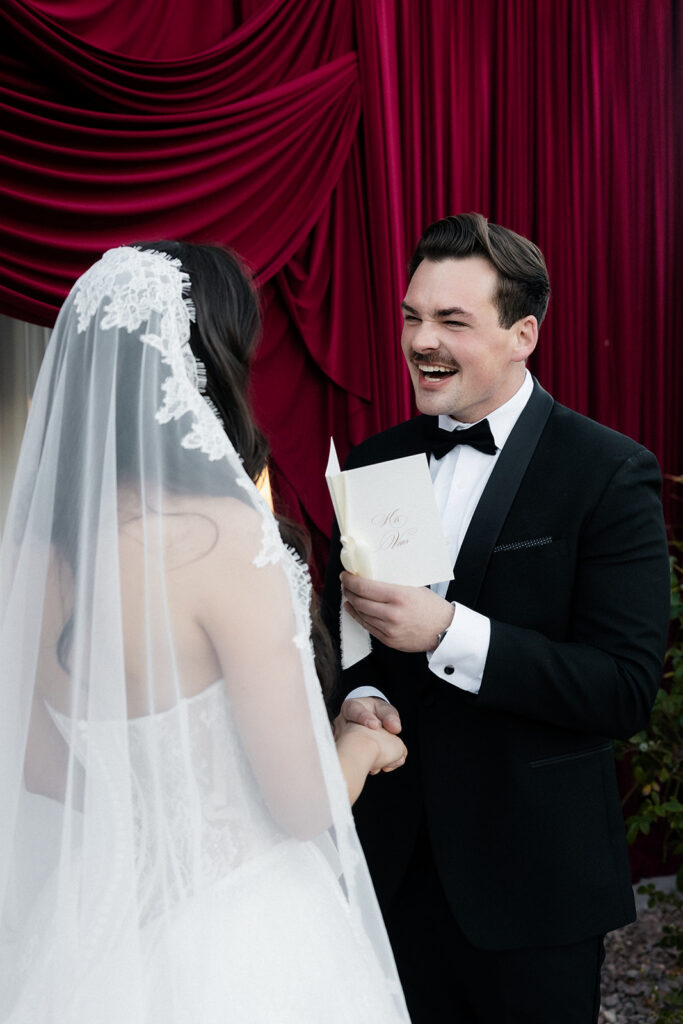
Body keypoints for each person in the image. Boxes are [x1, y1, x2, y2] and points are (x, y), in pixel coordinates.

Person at [0, 242, 412, 1023]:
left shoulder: (32, 553)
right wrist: (365, 746)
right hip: (242, 933)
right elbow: (297, 805)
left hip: (101, 929)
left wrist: (157, 813)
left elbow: (39, 763)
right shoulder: (224, 540)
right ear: (204, 367)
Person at [324, 213, 671, 1023]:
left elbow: (621, 690)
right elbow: (350, 637)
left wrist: (449, 634)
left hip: (533, 886)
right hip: (387, 873)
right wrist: (354, 695)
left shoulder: (607, 471)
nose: (419, 340)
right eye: (411, 316)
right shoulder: (373, 459)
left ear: (523, 334)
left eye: (451, 320)